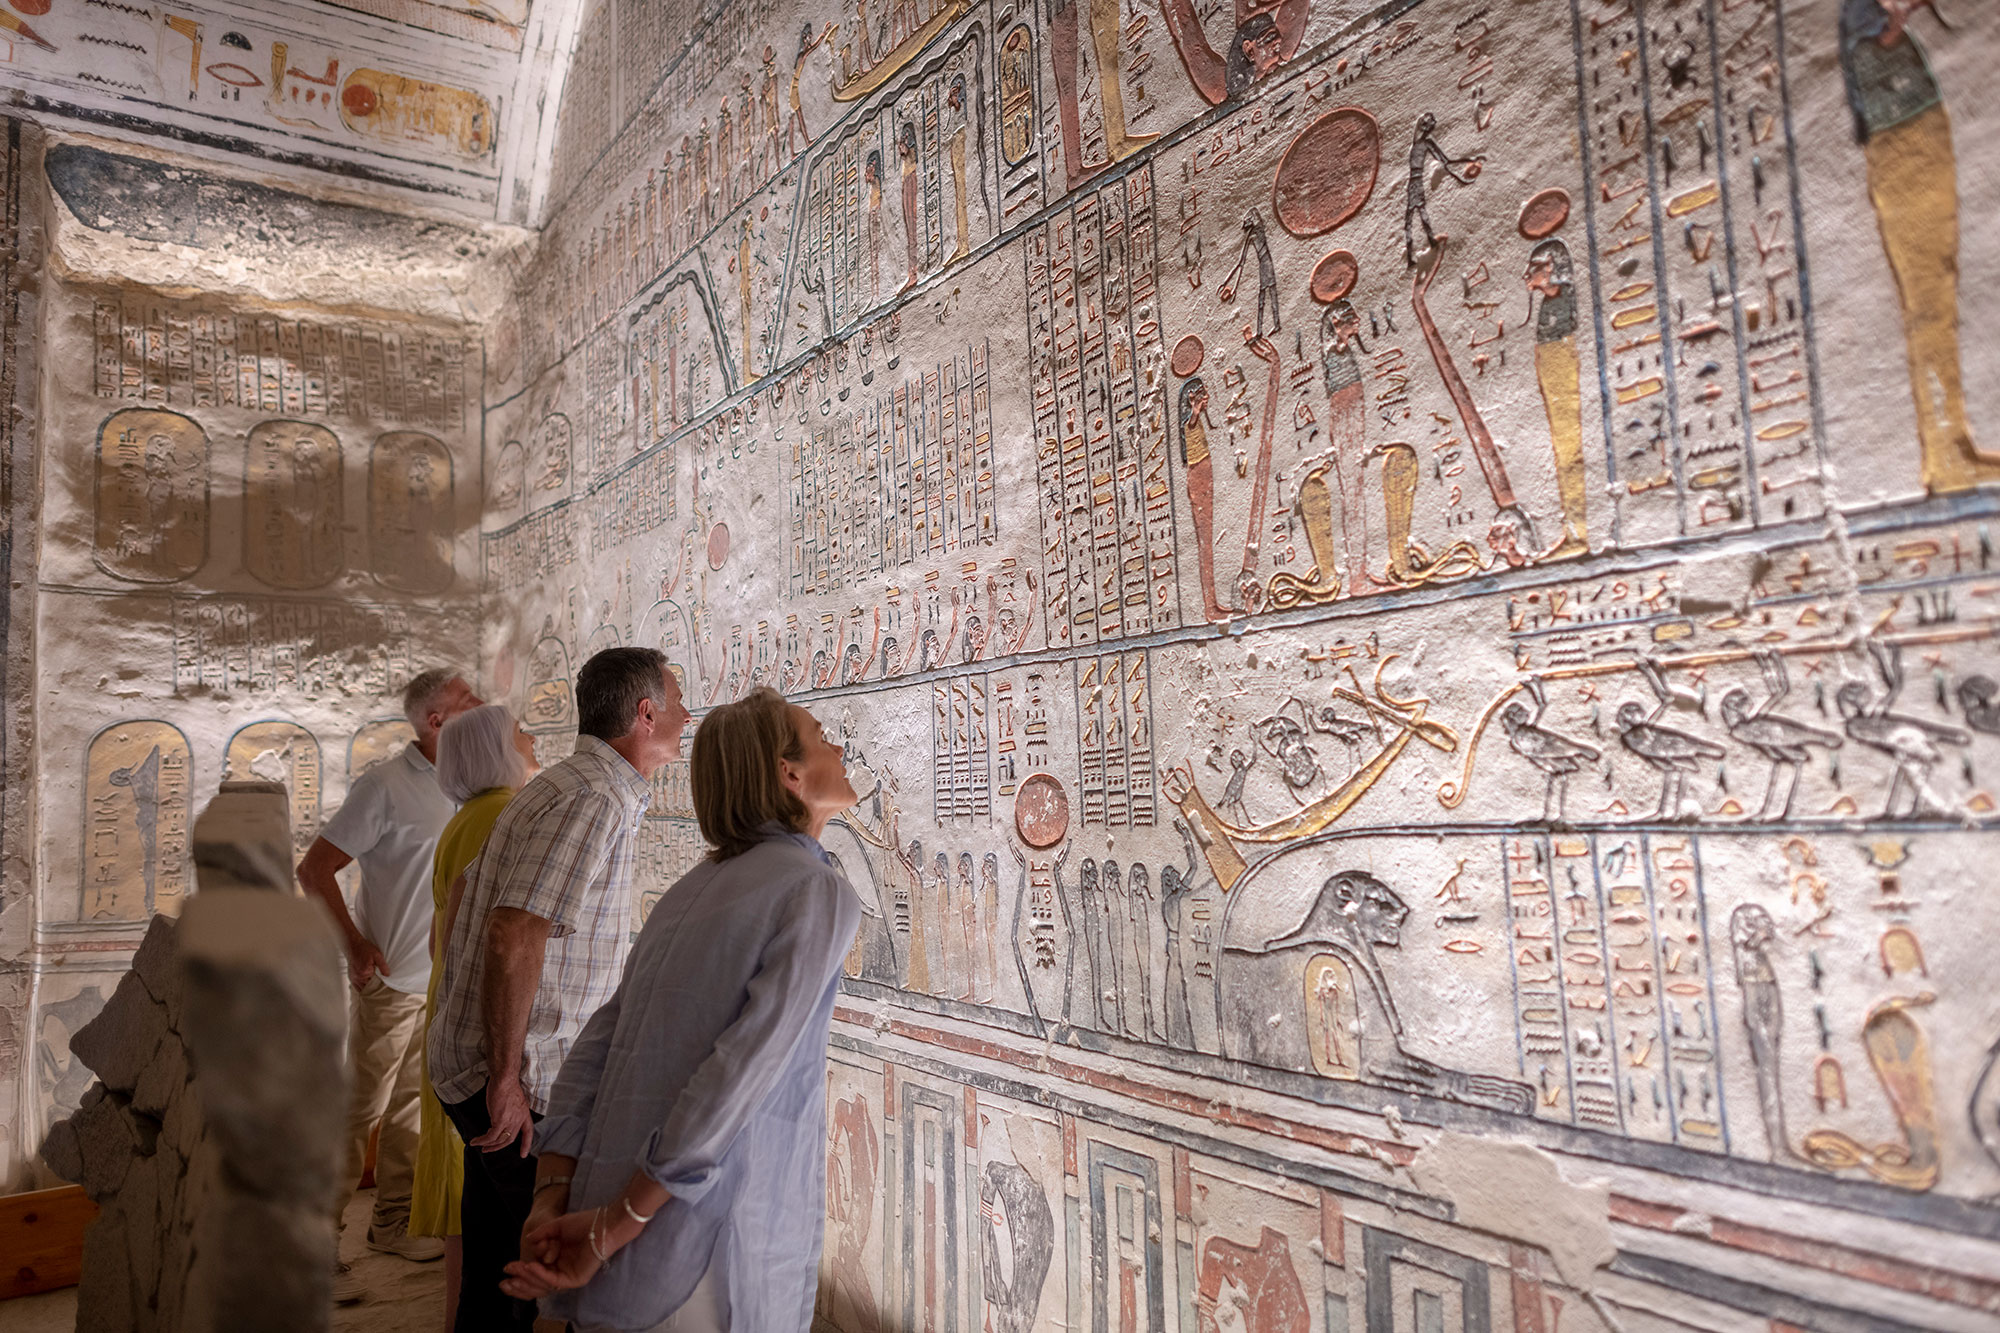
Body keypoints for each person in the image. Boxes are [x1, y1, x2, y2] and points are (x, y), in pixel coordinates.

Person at [500, 686, 862, 1332]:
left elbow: (595, 1048)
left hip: (615, 1212)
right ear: (790, 774)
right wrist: (618, 1224)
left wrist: (553, 1193)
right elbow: (738, 1075)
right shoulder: (815, 889)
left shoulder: (690, 889)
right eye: (820, 735)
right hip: (709, 1238)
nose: (838, 745)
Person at [428, 647, 690, 1333]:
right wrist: (505, 1079)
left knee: (499, 1272)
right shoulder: (593, 796)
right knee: (549, 1265)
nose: (688, 714)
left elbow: (472, 895)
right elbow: (513, 931)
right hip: (517, 1079)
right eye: (677, 700)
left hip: (495, 1066)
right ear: (645, 713)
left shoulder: (573, 786)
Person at [298, 668, 482, 1302]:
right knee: (360, 1110)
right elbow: (315, 869)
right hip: (392, 979)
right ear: (436, 721)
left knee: (412, 1110)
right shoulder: (384, 786)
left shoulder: (468, 782)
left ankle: (393, 1221)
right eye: (468, 699)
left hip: (442, 982)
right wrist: (355, 945)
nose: (482, 705)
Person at [410, 705, 542, 1330]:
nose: (531, 738)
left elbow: (438, 940)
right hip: (475, 1022)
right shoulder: (498, 814)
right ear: (496, 751)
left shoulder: (466, 817)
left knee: (476, 1196)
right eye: (519, 732)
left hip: (448, 1007)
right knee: (489, 1205)